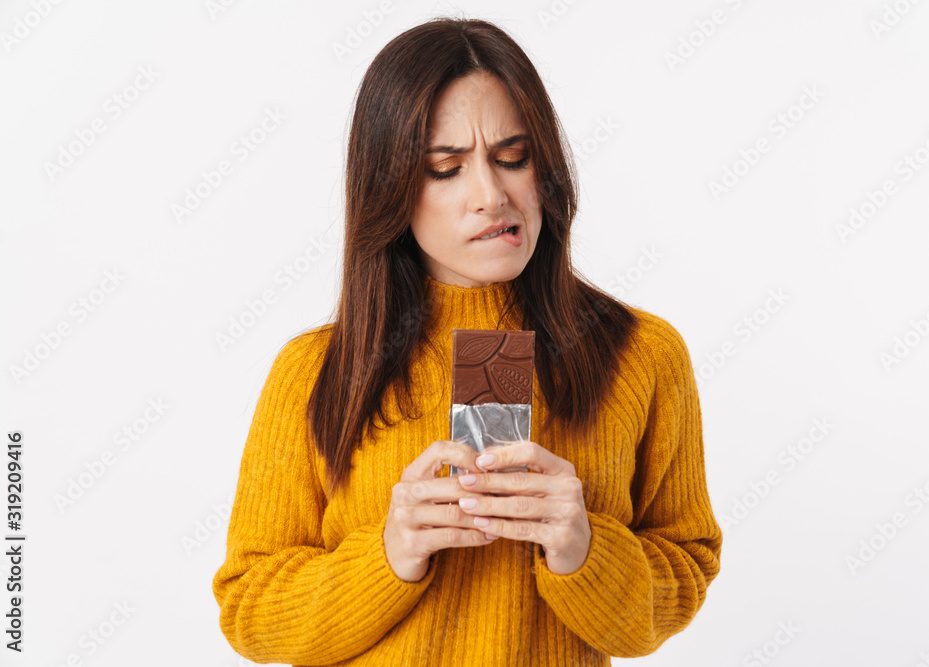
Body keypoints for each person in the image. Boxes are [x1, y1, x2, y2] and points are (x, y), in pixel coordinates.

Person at [212, 16, 722, 667]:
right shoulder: (313, 371)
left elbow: (683, 575)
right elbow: (249, 611)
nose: (491, 194)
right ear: (391, 188)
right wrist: (390, 553)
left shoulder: (643, 354)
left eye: (513, 157)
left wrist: (586, 549)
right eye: (446, 168)